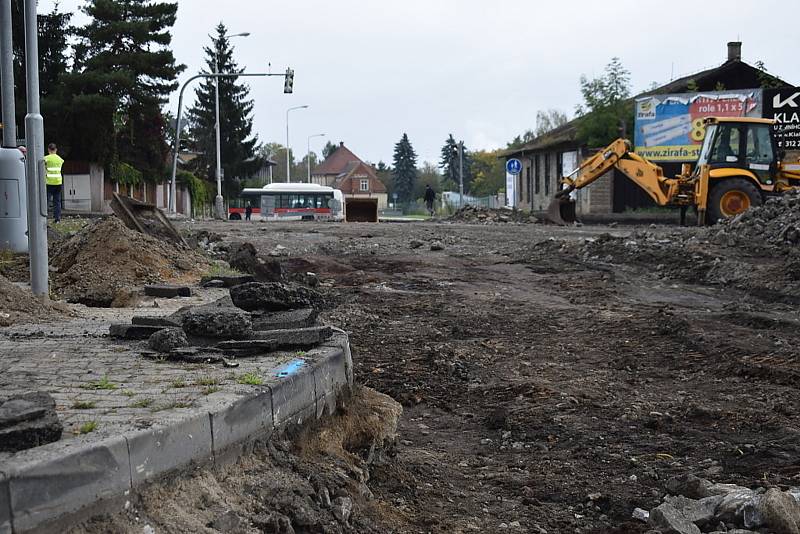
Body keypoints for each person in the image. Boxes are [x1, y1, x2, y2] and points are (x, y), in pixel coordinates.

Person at [43, 143, 64, 223]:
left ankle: (44, 217)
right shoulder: (60, 159)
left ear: (48, 149)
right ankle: (57, 219)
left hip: (49, 182)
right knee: (57, 201)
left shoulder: (46, 158)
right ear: (56, 150)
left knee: (46, 201)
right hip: (58, 182)